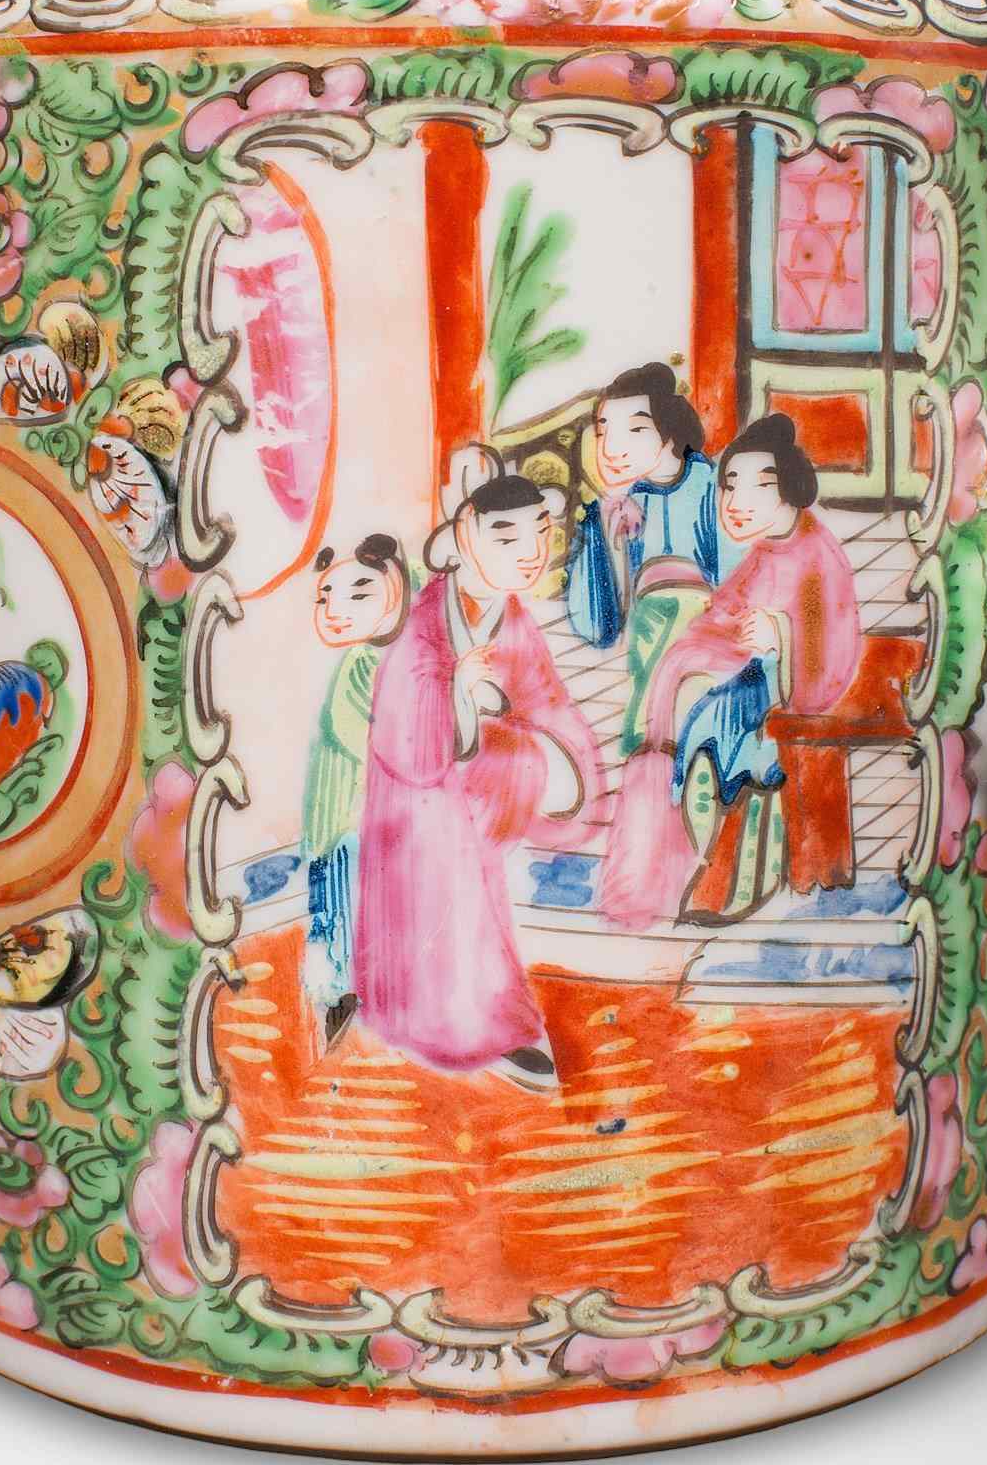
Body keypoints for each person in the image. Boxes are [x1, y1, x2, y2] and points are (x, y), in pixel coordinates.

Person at [353, 451, 601, 1090]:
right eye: (506, 537)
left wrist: (549, 753)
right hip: (419, 790)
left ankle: (486, 1020)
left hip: (469, 779)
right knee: (448, 883)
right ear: (465, 534)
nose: (530, 553)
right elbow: (405, 724)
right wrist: (457, 694)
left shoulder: (511, 621)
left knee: (476, 886)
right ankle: (471, 1029)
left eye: (539, 534)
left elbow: (547, 701)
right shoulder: (423, 623)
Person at [599, 415, 860, 931]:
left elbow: (831, 648)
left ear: (789, 488)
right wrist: (700, 656)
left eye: (759, 486)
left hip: (785, 696)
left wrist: (781, 636)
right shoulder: (764, 552)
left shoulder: (817, 553)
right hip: (744, 684)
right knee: (678, 705)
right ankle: (662, 872)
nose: (737, 501)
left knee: (712, 730)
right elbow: (720, 616)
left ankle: (727, 872)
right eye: (730, 485)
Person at [565, 362, 745, 752]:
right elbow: (596, 624)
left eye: (635, 430)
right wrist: (603, 532)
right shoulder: (612, 505)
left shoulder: (711, 488)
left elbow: (738, 584)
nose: (612, 449)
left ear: (668, 433)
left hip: (709, 647)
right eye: (603, 431)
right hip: (643, 647)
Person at [301, 535, 410, 1052]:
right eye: (326, 598)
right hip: (347, 812)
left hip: (379, 813)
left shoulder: (400, 657)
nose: (337, 612)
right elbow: (358, 738)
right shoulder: (359, 665)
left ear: (395, 587)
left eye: (359, 594)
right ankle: (334, 995)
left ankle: (364, 988)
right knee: (337, 902)